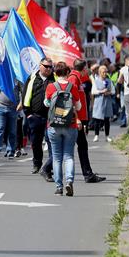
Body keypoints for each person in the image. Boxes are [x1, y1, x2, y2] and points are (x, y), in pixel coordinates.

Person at [44, 62, 84, 196]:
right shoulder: (72, 87)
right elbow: (78, 107)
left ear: (55, 73)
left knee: (56, 158)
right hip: (70, 124)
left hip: (54, 125)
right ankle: (69, 181)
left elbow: (46, 103)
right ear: (67, 73)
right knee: (68, 156)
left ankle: (59, 187)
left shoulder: (51, 86)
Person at [72, 59, 105, 184]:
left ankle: (88, 174)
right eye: (86, 69)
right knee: (71, 147)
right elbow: (71, 100)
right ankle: (88, 174)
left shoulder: (78, 78)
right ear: (84, 69)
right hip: (76, 121)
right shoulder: (73, 79)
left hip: (80, 120)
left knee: (81, 146)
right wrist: (77, 119)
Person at [20, 58, 55, 175]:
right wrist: (28, 114)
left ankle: (49, 166)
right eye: (46, 66)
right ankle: (37, 163)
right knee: (36, 142)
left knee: (51, 141)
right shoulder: (32, 78)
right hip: (35, 116)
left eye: (51, 67)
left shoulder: (54, 79)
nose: (49, 69)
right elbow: (25, 94)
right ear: (40, 65)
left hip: (51, 117)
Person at [0, 76, 21, 159]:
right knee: (0, 129)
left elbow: (23, 91)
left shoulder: (17, 79)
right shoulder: (1, 77)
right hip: (1, 107)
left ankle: (10, 151)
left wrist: (20, 104)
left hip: (13, 108)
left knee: (12, 131)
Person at [91, 65, 114, 142]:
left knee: (107, 120)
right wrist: (101, 91)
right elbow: (93, 92)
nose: (105, 73)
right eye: (103, 72)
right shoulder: (96, 81)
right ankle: (96, 135)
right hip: (99, 101)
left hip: (107, 102)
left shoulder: (109, 81)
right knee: (97, 119)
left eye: (106, 72)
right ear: (100, 72)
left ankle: (107, 136)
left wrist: (109, 92)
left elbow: (113, 91)